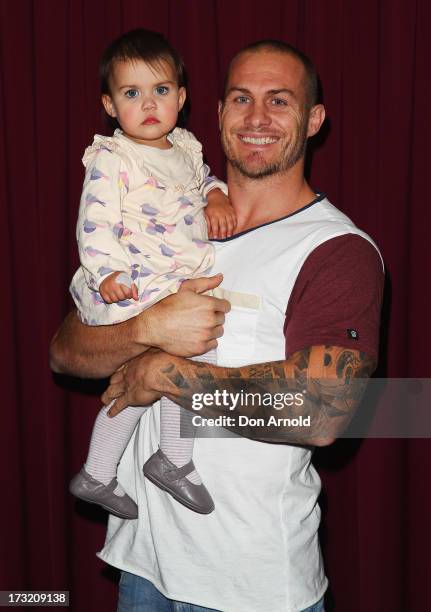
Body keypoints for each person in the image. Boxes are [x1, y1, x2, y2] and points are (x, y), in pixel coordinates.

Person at [51, 39, 384, 612]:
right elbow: (65, 351)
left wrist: (164, 371)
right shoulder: (167, 221)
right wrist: (145, 328)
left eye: (279, 101)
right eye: (241, 99)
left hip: (249, 587)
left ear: (314, 120)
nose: (257, 118)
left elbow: (324, 412)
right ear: (217, 111)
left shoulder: (335, 250)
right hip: (142, 567)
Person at [68, 29, 237, 520]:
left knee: (164, 371)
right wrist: (106, 274)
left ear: (181, 99)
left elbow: (200, 180)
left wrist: (217, 193)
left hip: (173, 275)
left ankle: (101, 474)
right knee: (187, 360)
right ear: (109, 104)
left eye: (160, 90)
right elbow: (94, 222)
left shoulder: (185, 146)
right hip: (136, 279)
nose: (148, 103)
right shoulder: (112, 158)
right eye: (131, 93)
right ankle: (168, 459)